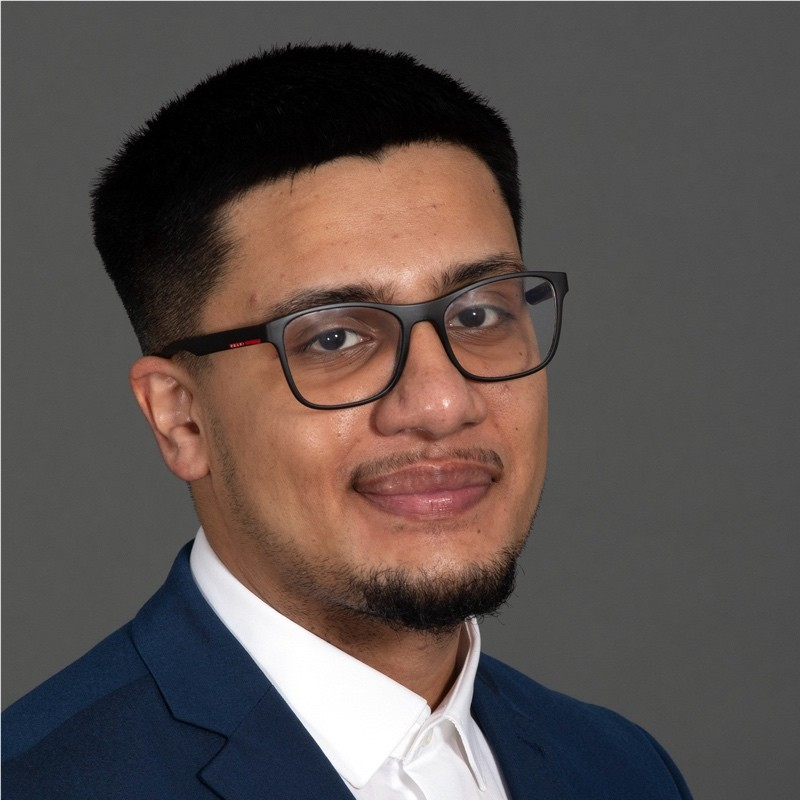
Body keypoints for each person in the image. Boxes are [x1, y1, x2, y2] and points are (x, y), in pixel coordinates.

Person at [2, 44, 693, 799]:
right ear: (181, 418)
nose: (443, 403)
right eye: (333, 338)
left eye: (478, 314)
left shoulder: (620, 767)